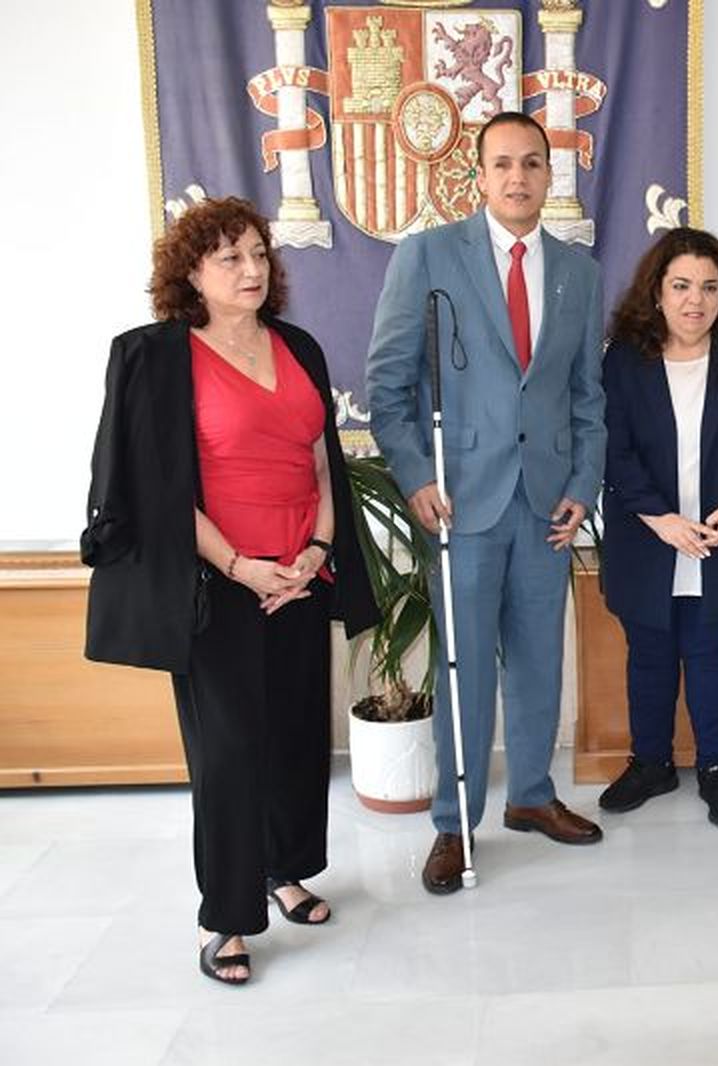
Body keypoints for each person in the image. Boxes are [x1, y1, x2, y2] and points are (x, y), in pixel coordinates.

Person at [83, 197, 378, 985]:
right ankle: (226, 916)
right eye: (230, 258)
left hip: (301, 573)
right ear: (190, 273)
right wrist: (241, 565)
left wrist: (317, 551)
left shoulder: (298, 346)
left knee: (294, 736)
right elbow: (158, 488)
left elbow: (321, 460)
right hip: (217, 582)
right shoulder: (159, 358)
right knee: (228, 753)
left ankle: (286, 871)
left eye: (258, 254)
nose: (252, 270)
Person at [366, 112, 607, 894]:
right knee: (463, 667)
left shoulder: (578, 273)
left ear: (550, 174)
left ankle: (531, 795)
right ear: (478, 174)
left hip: (546, 505)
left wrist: (583, 485)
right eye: (502, 163)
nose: (518, 177)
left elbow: (587, 397)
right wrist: (414, 476)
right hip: (459, 502)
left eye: (532, 163)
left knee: (539, 663)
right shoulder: (429, 255)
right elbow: (388, 385)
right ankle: (454, 821)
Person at [596, 227, 718, 828]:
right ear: (657, 292)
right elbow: (613, 449)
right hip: (646, 537)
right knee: (648, 655)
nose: (694, 300)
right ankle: (650, 764)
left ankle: (716, 768)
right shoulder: (624, 360)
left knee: (710, 654)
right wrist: (660, 517)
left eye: (709, 287)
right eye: (681, 286)